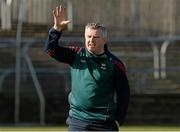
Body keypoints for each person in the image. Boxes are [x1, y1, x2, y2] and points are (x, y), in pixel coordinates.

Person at [44, 5, 130, 131]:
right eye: (88, 37)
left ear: (105, 39)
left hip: (104, 123)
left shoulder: (115, 64)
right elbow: (50, 50)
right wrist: (56, 29)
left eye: (95, 37)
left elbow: (124, 94)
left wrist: (118, 121)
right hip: (77, 122)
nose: (91, 40)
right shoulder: (76, 55)